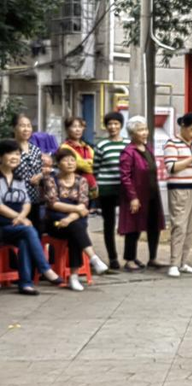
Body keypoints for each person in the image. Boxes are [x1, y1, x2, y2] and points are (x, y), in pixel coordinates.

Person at [0, 139, 62, 295]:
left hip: (14, 226)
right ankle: (44, 269)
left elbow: (27, 202)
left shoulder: (18, 178)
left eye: (17, 154)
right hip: (3, 226)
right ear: (1, 156)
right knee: (28, 230)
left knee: (25, 239)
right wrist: (20, 218)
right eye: (10, 154)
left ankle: (26, 284)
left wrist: (21, 216)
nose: (14, 157)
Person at [42, 147, 109, 289]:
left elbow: (83, 204)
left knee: (75, 229)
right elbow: (54, 204)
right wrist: (76, 209)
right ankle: (83, 268)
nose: (70, 163)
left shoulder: (81, 181)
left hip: (71, 221)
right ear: (58, 163)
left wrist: (69, 219)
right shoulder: (51, 180)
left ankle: (79, 273)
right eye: (66, 160)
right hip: (56, 223)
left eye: (72, 160)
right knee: (77, 229)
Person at [118, 116, 166, 271]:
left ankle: (153, 258)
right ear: (132, 133)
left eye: (145, 129)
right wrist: (133, 197)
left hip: (152, 194)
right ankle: (129, 259)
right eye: (140, 130)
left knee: (154, 226)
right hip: (136, 196)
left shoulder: (148, 148)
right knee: (133, 228)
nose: (144, 132)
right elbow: (125, 177)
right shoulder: (128, 152)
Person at [163, 113, 192, 278]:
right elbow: (171, 167)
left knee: (190, 227)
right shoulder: (171, 143)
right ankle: (173, 264)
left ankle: (183, 262)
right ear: (183, 126)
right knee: (179, 226)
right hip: (179, 189)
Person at [94, 112, 127, 270]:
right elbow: (95, 169)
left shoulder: (128, 144)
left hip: (124, 189)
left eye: (116, 123)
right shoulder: (101, 145)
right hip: (106, 189)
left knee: (129, 223)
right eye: (109, 124)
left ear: (121, 125)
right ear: (106, 126)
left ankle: (130, 256)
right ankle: (112, 258)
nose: (113, 127)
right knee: (109, 224)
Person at [12, 114, 45, 236]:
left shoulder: (36, 150)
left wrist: (40, 176)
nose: (26, 129)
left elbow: (41, 170)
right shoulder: (9, 149)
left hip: (34, 199)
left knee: (36, 233)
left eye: (28, 126)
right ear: (14, 128)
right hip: (15, 201)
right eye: (22, 126)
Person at [59, 116, 96, 198]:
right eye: (74, 126)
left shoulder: (87, 147)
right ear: (67, 129)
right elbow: (83, 166)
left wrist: (89, 163)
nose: (78, 129)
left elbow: (97, 163)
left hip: (90, 187)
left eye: (80, 126)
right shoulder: (65, 147)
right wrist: (90, 163)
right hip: (73, 187)